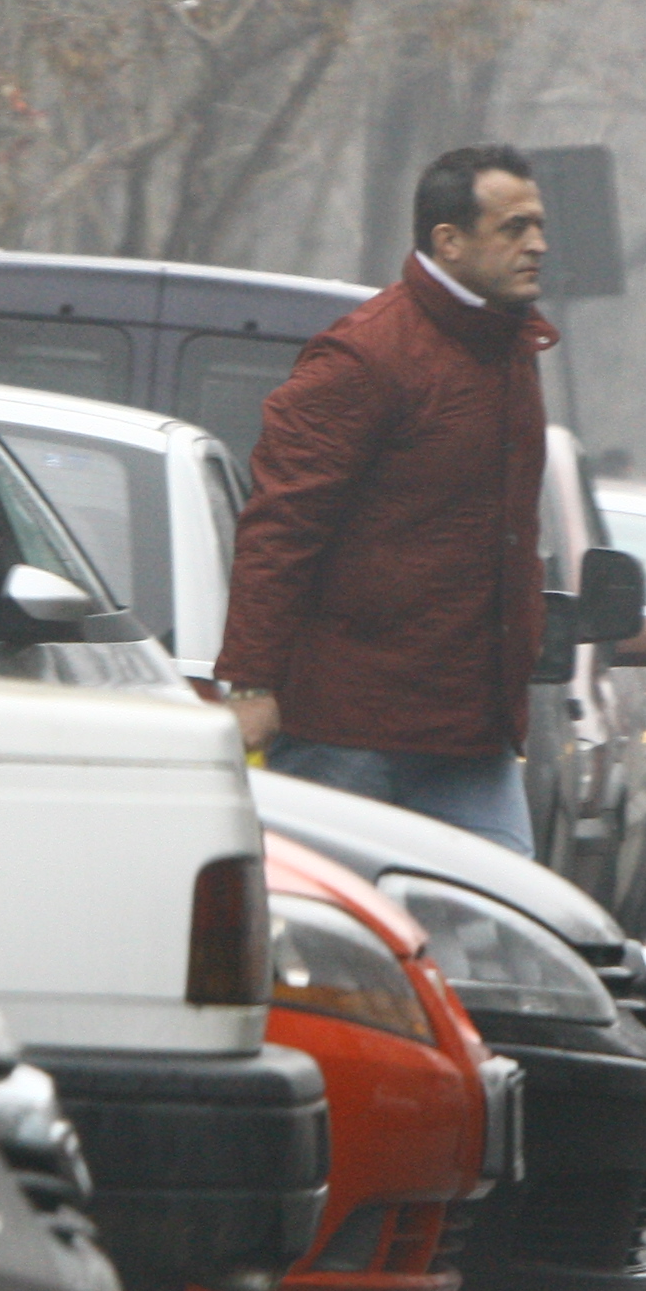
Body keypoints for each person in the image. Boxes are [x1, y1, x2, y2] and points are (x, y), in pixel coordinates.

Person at [215, 144, 558, 853]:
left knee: (503, 929)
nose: (538, 245)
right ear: (449, 241)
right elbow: (280, 527)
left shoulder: (509, 348)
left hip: (471, 735)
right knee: (336, 940)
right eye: (514, 228)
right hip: (346, 732)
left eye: (539, 226)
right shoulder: (366, 356)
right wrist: (250, 684)